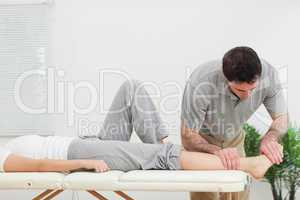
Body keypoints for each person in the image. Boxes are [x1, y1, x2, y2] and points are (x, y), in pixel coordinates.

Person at [181, 46, 288, 200]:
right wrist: (216, 151)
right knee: (204, 194)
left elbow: (281, 119)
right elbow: (188, 136)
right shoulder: (200, 81)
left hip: (235, 137)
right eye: (240, 90)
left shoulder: (269, 75)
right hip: (202, 140)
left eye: (252, 89)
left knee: (238, 192)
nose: (247, 96)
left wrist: (270, 138)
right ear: (226, 79)